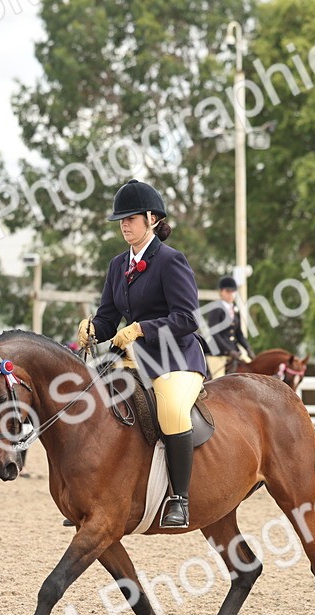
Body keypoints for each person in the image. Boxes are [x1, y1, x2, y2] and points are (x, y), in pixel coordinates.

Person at [78, 179, 207, 528]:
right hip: (132, 360)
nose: (124, 224)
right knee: (93, 403)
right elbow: (108, 319)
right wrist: (93, 327)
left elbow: (187, 318)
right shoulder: (118, 265)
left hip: (175, 358)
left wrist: (142, 328)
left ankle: (179, 498)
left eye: (130, 218)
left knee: (171, 411)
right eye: (120, 219)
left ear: (151, 218)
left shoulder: (170, 261)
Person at [202, 276, 254, 379]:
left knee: (253, 369)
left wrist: (248, 349)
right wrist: (229, 350)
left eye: (233, 291)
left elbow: (239, 334)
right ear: (221, 291)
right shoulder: (216, 309)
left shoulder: (235, 309)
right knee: (219, 380)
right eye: (228, 291)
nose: (231, 294)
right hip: (218, 354)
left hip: (234, 352)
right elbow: (215, 334)